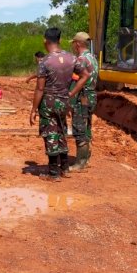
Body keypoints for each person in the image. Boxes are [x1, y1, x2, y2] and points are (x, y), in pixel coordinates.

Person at [29, 27, 90, 180]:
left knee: (50, 134)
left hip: (48, 102)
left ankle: (53, 173)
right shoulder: (71, 58)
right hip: (64, 101)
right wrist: (71, 93)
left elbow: (40, 88)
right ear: (60, 40)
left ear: (45, 41)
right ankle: (64, 168)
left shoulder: (45, 62)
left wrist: (33, 109)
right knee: (61, 131)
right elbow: (85, 75)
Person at [68, 31, 99, 170]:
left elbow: (78, 80)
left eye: (74, 43)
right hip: (91, 95)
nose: (73, 46)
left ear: (78, 44)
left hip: (82, 97)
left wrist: (70, 95)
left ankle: (80, 163)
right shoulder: (92, 57)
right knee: (86, 127)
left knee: (79, 128)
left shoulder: (80, 60)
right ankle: (85, 159)